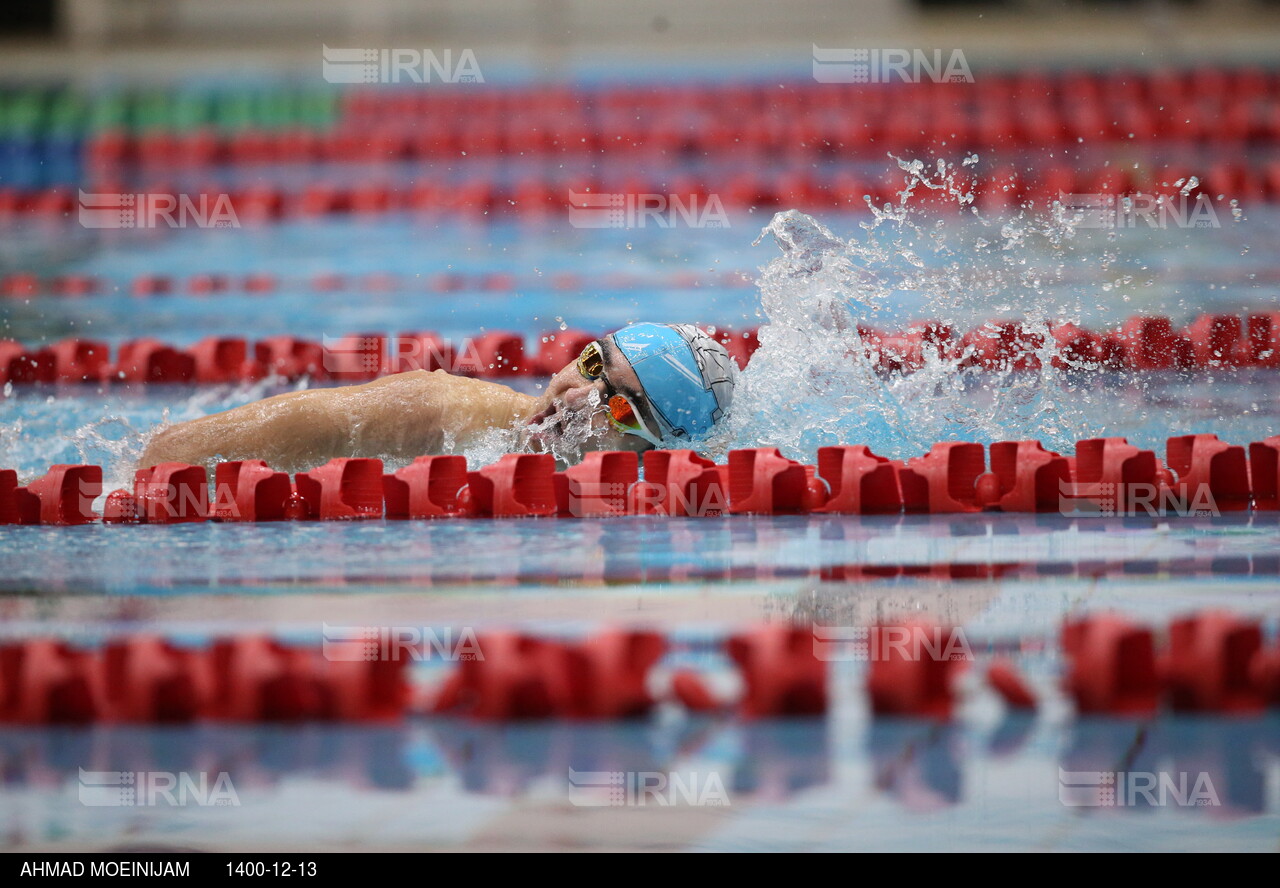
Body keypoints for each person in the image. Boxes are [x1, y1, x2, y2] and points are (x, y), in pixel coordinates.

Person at [138, 322, 736, 472]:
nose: (575, 395)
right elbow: (168, 455)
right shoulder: (440, 412)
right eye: (588, 363)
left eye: (620, 405)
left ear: (657, 451)